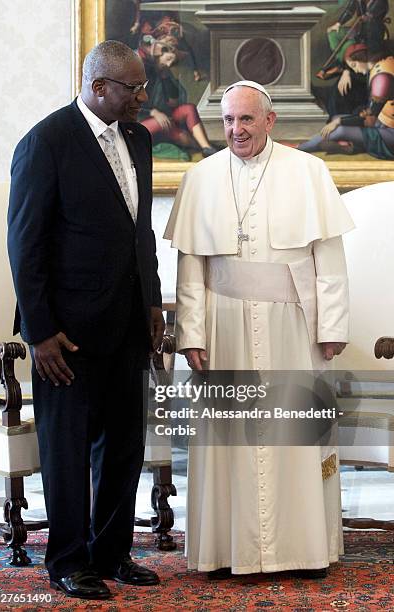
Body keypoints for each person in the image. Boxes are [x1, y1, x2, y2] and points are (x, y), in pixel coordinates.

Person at [164, 80, 354, 578]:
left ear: (270, 121)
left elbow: (329, 261)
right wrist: (193, 334)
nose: (235, 129)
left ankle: (303, 550)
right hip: (225, 327)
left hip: (292, 325)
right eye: (227, 120)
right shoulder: (201, 177)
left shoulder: (308, 171)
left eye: (246, 119)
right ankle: (227, 550)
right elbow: (192, 268)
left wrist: (332, 325)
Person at [7, 40, 164, 599]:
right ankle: (69, 562)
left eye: (142, 86)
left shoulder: (139, 139)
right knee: (67, 451)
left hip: (126, 323)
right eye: (133, 88)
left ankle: (112, 553)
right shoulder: (46, 142)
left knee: (124, 447)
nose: (143, 98)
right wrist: (40, 332)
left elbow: (138, 231)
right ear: (99, 87)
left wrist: (153, 302)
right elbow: (25, 246)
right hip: (66, 336)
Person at [300, 46, 394, 158]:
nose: (355, 70)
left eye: (354, 65)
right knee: (336, 119)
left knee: (340, 129)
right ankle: (352, 146)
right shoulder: (385, 62)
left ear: (362, 58)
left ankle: (300, 148)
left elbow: (370, 119)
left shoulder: (381, 78)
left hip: (389, 132)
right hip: (383, 123)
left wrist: (339, 122)